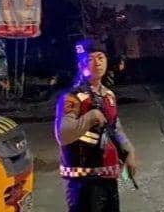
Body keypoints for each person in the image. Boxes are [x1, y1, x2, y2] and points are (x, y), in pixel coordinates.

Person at [54, 38, 138, 212]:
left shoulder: (108, 96)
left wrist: (129, 151)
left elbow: (115, 127)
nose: (97, 63)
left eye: (101, 58)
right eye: (90, 59)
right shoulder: (72, 97)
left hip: (108, 176)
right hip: (83, 181)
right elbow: (63, 135)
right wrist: (91, 117)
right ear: (81, 64)